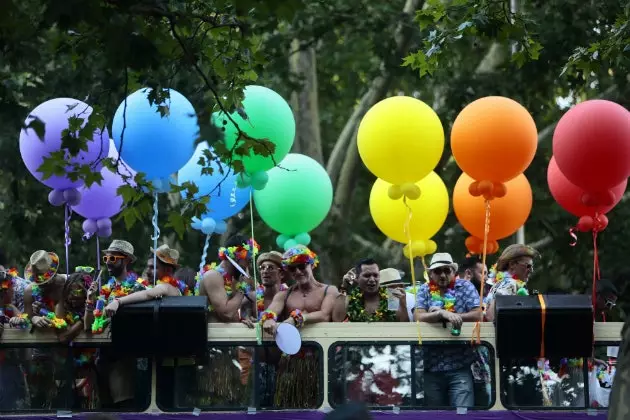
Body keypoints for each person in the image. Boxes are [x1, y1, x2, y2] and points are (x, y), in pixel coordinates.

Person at [261, 245, 339, 408]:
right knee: (288, 407)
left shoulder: (329, 290)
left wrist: (298, 319)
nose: (297, 272)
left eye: (302, 266)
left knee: (320, 409)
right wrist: (268, 319)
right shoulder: (284, 294)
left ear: (312, 264)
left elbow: (325, 315)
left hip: (321, 361)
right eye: (292, 268)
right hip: (291, 364)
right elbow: (271, 311)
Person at [414, 252, 481, 408]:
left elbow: (478, 314)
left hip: (460, 365)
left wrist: (453, 316)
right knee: (435, 417)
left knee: (462, 414)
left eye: (447, 270)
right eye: (438, 271)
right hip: (431, 366)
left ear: (454, 272)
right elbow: (418, 316)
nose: (443, 275)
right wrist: (440, 313)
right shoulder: (424, 289)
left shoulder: (465, 286)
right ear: (431, 274)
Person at [88, 239, 147, 410]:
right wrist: (90, 301)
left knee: (124, 408)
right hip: (103, 355)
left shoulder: (139, 288)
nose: (108, 263)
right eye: (106, 259)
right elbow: (95, 321)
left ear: (126, 260)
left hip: (125, 357)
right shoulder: (106, 288)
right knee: (105, 408)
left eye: (113, 259)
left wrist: (119, 304)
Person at [103, 244, 190, 317]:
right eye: (147, 267)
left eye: (153, 267)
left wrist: (118, 301)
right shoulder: (156, 287)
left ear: (168, 270)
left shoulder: (166, 287)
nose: (147, 271)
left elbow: (147, 294)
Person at [197, 234, 258, 322]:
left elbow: (234, 313)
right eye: (248, 260)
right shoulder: (213, 276)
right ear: (237, 256)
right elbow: (227, 314)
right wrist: (242, 289)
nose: (249, 266)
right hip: (214, 334)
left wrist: (244, 319)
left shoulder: (233, 280)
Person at [332, 259, 408, 322]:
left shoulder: (391, 297)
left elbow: (403, 325)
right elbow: (337, 320)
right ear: (357, 278)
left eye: (375, 275)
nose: (372, 279)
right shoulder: (350, 299)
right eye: (367, 275)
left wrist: (403, 304)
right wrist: (344, 287)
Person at [485, 244, 539, 322]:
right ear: (512, 264)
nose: (531, 270)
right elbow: (490, 315)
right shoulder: (509, 283)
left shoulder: (502, 282)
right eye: (528, 266)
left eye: (532, 266)